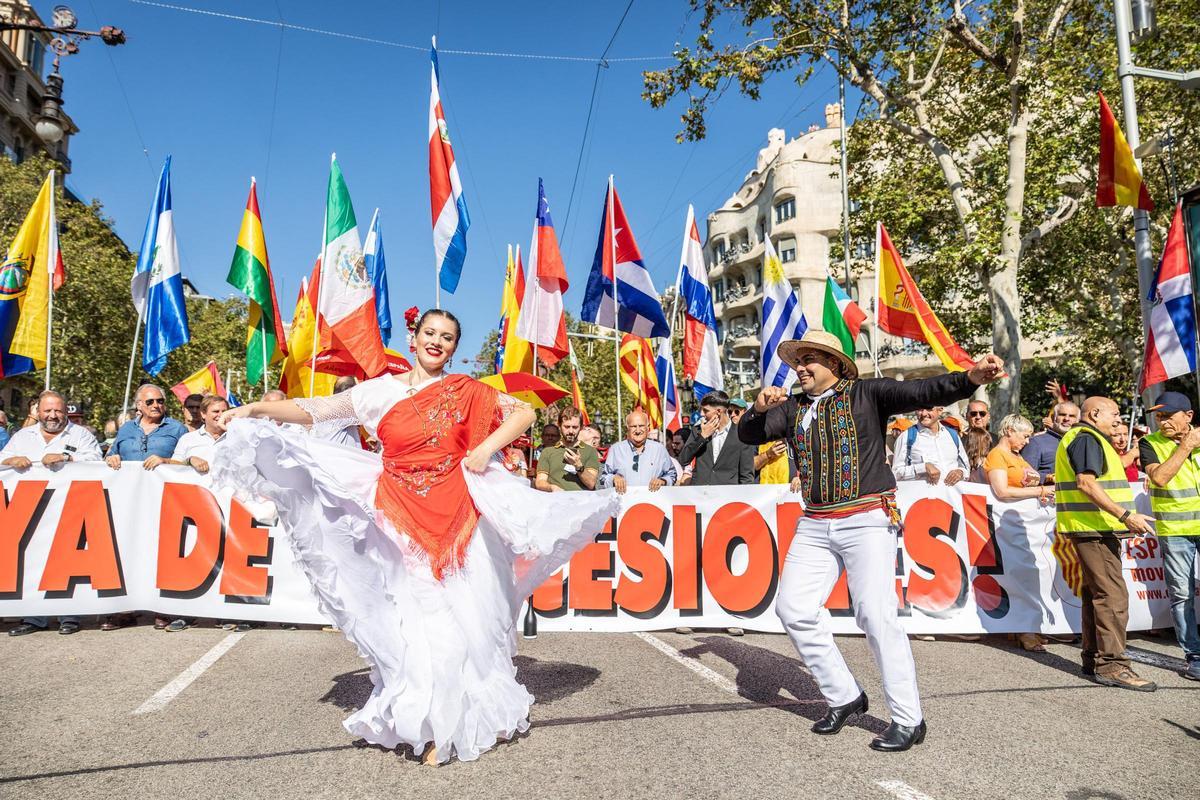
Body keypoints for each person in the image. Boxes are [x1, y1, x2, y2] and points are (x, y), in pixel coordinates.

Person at [212, 309, 618, 764]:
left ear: (453, 348)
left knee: (467, 622)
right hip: (397, 515)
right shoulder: (379, 391)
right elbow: (319, 409)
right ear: (414, 337)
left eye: (447, 337)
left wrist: (484, 449)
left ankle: (468, 716)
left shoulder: (466, 389)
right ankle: (428, 724)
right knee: (420, 624)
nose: (437, 342)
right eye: (430, 333)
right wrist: (254, 408)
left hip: (461, 513)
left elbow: (523, 412)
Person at [739, 329, 1004, 752]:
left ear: (836, 365)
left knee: (875, 615)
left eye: (810, 360)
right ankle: (844, 695)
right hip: (815, 521)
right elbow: (750, 435)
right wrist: (757, 406)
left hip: (866, 517)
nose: (801, 368)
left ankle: (908, 718)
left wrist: (971, 377)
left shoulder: (868, 394)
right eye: (798, 361)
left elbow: (925, 389)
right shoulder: (793, 408)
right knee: (793, 609)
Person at [1054, 396, 1157, 692]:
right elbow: (1086, 483)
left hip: (1092, 529)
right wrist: (1125, 515)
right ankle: (1113, 665)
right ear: (1095, 413)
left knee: (1096, 594)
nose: (1118, 420)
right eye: (1114, 414)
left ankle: (1094, 659)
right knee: (1112, 597)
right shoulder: (1086, 438)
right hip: (1094, 530)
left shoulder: (1085, 437)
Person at [4, 390, 102, 637]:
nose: (52, 415)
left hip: (71, 508)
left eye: (57, 410)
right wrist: (12, 460)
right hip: (31, 510)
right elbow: (1, 460)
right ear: (38, 411)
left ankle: (69, 617)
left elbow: (95, 461)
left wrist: (66, 456)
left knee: (68, 565)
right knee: (33, 563)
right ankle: (33, 617)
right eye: (47, 410)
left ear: (65, 409)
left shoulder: (80, 435)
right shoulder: (22, 437)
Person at [1137, 391, 1200, 681]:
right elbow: (1160, 478)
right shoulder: (1149, 443)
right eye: (1158, 416)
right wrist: (1185, 447)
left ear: (1188, 416)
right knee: (1182, 594)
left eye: (1168, 415)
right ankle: (1195, 656)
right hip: (1175, 531)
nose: (1162, 422)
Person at [981, 414, 1054, 652]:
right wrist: (1041, 489)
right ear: (1009, 431)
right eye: (1024, 435)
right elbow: (1001, 491)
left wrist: (1045, 481)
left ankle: (1025, 627)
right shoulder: (997, 455)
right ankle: (1024, 629)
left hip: (1025, 523)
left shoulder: (1016, 456)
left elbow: (1029, 481)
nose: (1027, 441)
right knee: (1020, 575)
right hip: (1007, 524)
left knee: (1029, 574)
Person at [678, 390, 755, 486]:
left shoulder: (742, 434)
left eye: (706, 410)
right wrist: (702, 437)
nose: (702, 414)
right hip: (700, 494)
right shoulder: (698, 430)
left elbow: (746, 476)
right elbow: (683, 459)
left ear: (719, 411)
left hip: (727, 496)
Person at [106, 384, 188, 472]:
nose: (156, 405)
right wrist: (111, 458)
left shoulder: (178, 428)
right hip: (129, 483)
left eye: (160, 401)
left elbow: (189, 462)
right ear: (139, 405)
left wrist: (165, 461)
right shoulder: (126, 428)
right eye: (150, 402)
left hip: (163, 484)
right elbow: (111, 455)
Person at [891, 405, 969, 486]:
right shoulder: (906, 437)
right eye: (920, 409)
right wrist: (922, 468)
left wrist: (961, 472)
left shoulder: (952, 435)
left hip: (952, 497)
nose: (924, 413)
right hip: (923, 496)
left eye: (929, 408)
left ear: (940, 410)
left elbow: (966, 467)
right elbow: (895, 474)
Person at [600, 410, 676, 492]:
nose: (638, 430)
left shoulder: (659, 449)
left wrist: (663, 481)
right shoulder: (616, 449)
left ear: (648, 427)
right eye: (633, 426)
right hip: (624, 502)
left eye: (641, 426)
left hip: (652, 502)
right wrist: (614, 478)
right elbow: (603, 478)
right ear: (627, 428)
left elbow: (672, 475)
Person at [535, 406, 600, 492]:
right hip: (555, 500)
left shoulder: (590, 451)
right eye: (567, 427)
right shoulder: (548, 451)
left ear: (581, 427)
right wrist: (551, 487)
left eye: (575, 427)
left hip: (582, 502)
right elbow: (540, 482)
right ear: (559, 426)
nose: (571, 431)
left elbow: (591, 484)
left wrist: (578, 465)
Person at [1022, 401, 1079, 483]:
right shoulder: (1036, 443)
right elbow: (1025, 474)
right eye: (1062, 414)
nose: (1066, 419)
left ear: (1078, 420)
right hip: (1046, 494)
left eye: (1072, 416)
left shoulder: (1081, 442)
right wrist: (1049, 478)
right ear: (1053, 418)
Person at [171, 395, 229, 475]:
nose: (221, 415)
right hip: (195, 487)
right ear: (203, 414)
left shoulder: (237, 438)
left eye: (224, 411)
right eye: (216, 411)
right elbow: (172, 466)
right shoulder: (187, 439)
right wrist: (190, 460)